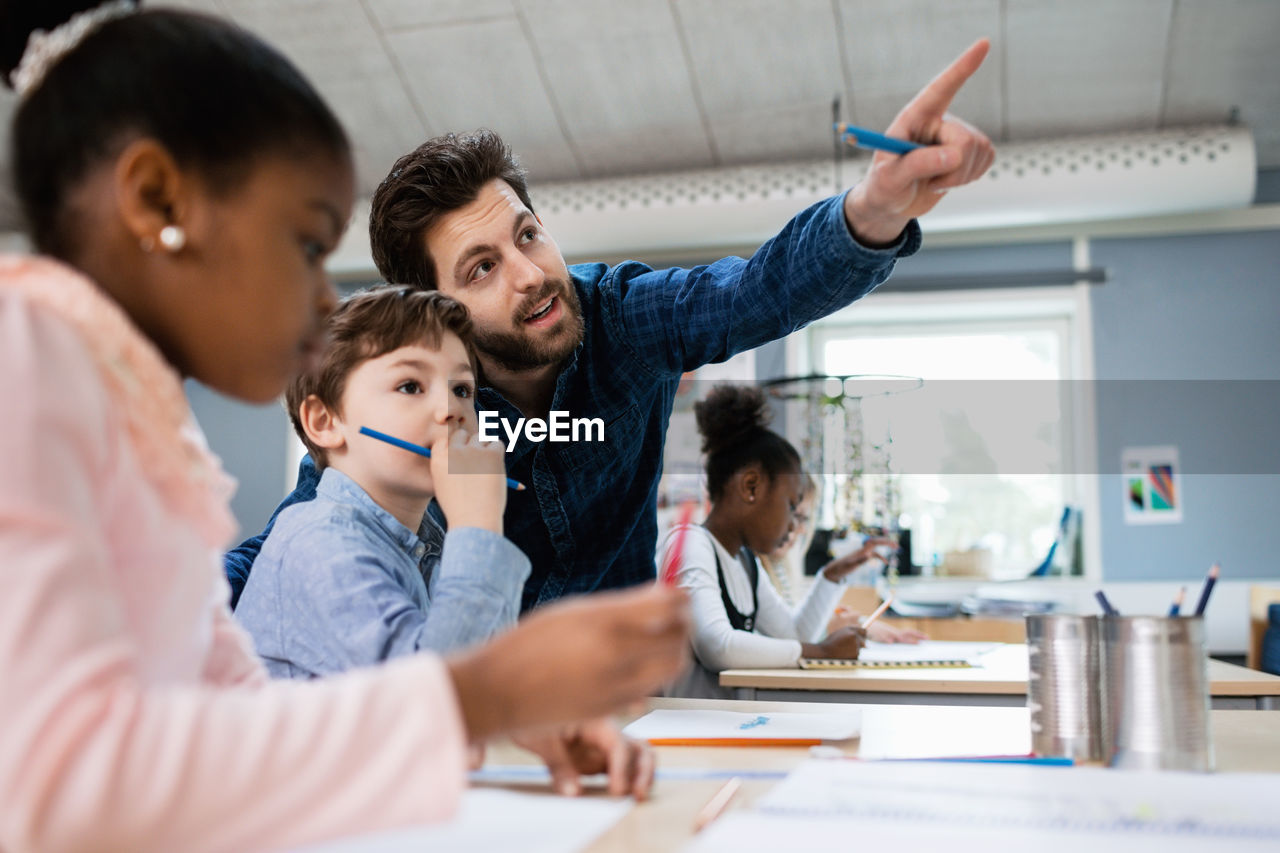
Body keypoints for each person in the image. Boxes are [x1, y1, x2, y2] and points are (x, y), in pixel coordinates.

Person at [0, 4, 689, 851]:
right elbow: (57, 783)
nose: (327, 302)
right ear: (154, 200)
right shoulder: (25, 361)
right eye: (305, 242)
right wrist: (477, 698)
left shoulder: (135, 417)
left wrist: (503, 722)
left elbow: (239, 714)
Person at [224, 41, 996, 612]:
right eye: (481, 267)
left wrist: (874, 211)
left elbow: (759, 289)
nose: (529, 272)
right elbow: (309, 524)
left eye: (527, 234)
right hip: (491, 697)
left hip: (623, 691)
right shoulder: (412, 400)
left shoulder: (626, 316)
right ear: (436, 307)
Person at [235, 285, 531, 677]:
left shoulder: (430, 543)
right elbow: (438, 699)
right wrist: (478, 526)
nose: (451, 411)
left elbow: (490, 680)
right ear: (325, 422)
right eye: (410, 386)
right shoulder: (319, 544)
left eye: (461, 390)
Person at [658, 385, 894, 699]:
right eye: (790, 505)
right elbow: (718, 647)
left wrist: (832, 575)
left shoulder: (745, 563)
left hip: (722, 726)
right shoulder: (690, 544)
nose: (794, 524)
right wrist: (820, 652)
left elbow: (794, 635)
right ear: (751, 486)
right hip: (681, 732)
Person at [759, 474, 926, 644]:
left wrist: (863, 625)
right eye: (795, 515)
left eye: (804, 519)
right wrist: (829, 630)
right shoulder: (752, 570)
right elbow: (777, 641)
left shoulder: (779, 569)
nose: (800, 529)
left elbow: (789, 627)